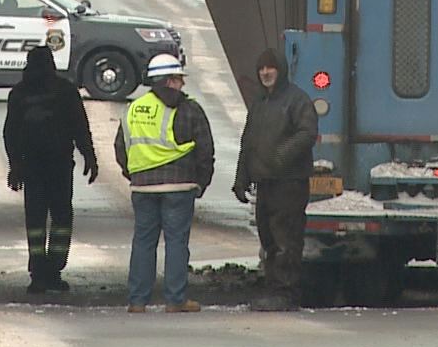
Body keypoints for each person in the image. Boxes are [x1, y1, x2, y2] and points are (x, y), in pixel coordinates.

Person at [115, 53, 215, 313]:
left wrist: (134, 174)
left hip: (142, 187)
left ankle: (137, 301)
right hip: (179, 187)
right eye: (179, 79)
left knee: (143, 242)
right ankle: (175, 299)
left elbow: (121, 147)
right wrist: (201, 182)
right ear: (169, 80)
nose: (182, 84)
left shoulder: (134, 108)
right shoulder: (189, 108)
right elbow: (205, 149)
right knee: (176, 242)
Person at [2, 44, 98, 295]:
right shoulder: (64, 91)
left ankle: (39, 274)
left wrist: (15, 165)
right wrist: (89, 156)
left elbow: (10, 133)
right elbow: (80, 126)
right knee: (62, 218)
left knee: (35, 220)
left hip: (34, 167)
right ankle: (53, 271)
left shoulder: (20, 94)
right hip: (58, 166)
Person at [233, 49, 319, 311]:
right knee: (268, 237)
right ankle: (273, 288)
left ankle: (286, 292)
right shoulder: (259, 104)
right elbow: (248, 141)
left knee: (286, 238)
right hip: (265, 182)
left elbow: (307, 133)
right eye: (261, 69)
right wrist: (242, 177)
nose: (265, 73)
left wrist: (281, 156)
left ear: (280, 71)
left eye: (270, 68)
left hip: (290, 182)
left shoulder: (297, 100)